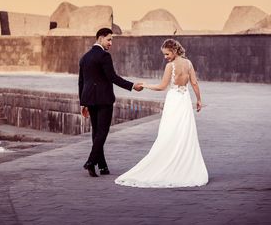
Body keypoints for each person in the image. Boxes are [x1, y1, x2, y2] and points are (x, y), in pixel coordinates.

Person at [115, 38, 208, 188]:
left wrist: (145, 85)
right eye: (164, 55)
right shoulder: (189, 63)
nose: (165, 57)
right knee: (183, 132)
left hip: (173, 101)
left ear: (175, 51)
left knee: (169, 132)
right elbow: (194, 83)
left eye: (167, 54)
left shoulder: (170, 66)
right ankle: (183, 166)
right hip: (184, 100)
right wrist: (198, 100)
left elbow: (162, 87)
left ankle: (169, 164)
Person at [79, 27, 143, 177]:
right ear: (100, 38)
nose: (111, 43)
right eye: (109, 39)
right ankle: (90, 161)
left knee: (96, 133)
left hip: (89, 99)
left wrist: (82, 102)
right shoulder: (104, 56)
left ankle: (102, 167)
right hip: (104, 99)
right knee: (102, 132)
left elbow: (81, 82)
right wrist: (132, 86)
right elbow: (112, 77)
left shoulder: (85, 57)